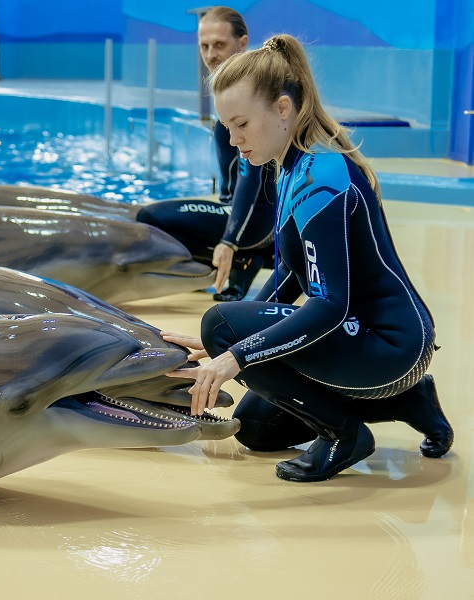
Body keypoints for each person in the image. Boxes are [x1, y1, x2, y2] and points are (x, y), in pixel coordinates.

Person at [161, 33, 454, 482]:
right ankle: (409, 402)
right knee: (256, 429)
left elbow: (329, 305)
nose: (235, 139)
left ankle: (344, 435)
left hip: (389, 345)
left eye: (241, 124)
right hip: (362, 344)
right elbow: (291, 277)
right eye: (228, 128)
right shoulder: (291, 167)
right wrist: (232, 335)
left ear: (282, 109)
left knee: (221, 325)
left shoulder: (322, 174)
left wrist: (233, 349)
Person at [136, 6, 275, 302]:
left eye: (220, 45)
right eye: (204, 46)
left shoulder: (247, 96)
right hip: (248, 218)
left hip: (253, 221)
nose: (210, 54)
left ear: (242, 43)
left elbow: (250, 176)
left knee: (149, 217)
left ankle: (241, 256)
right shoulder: (230, 91)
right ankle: (250, 259)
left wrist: (230, 240)